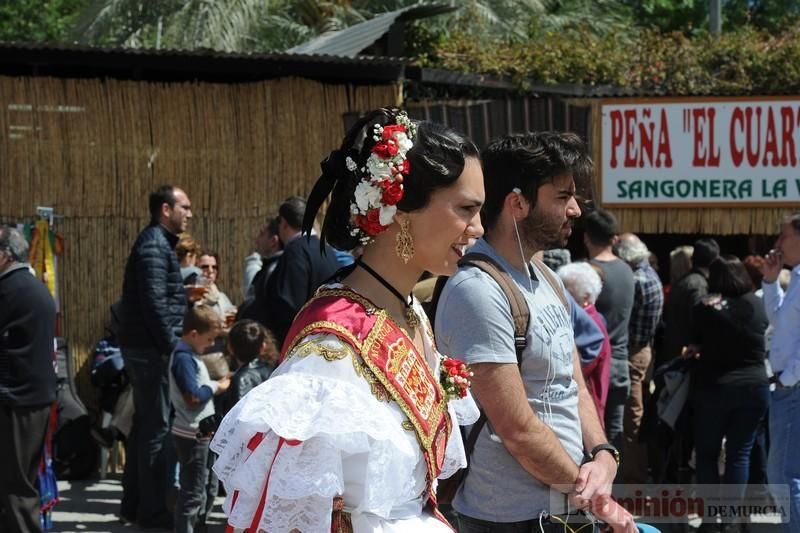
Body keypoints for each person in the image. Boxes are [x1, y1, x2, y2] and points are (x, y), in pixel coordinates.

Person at [211, 109, 485, 532]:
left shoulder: (410, 312)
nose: (478, 228)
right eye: (466, 209)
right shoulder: (332, 347)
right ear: (403, 209)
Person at [435, 132, 635, 532]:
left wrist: (603, 453)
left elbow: (574, 385)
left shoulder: (547, 278)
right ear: (518, 203)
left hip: (567, 501)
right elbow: (518, 430)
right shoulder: (477, 290)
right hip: (511, 517)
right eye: (562, 197)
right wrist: (598, 500)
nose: (576, 210)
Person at [118, 184, 192, 528]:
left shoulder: (157, 244)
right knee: (156, 431)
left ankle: (134, 505)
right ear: (166, 209)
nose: (189, 214)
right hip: (152, 352)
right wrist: (172, 348)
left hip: (148, 348)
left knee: (145, 428)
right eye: (184, 207)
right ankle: (151, 513)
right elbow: (153, 304)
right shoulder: (153, 245)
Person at [685, 255, 769, 533]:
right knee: (739, 454)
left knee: (708, 455)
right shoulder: (758, 303)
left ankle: (710, 521)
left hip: (714, 388)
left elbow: (694, 342)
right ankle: (731, 522)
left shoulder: (705, 307)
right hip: (754, 388)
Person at [0, 226, 57, 533]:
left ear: (4, 256)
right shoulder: (32, 287)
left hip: (16, 401)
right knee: (20, 483)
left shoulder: (10, 290)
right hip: (32, 400)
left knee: (15, 488)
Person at [169, 305, 230, 533]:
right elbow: (192, 397)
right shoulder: (184, 359)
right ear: (194, 334)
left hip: (200, 433)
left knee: (206, 487)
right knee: (192, 493)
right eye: (209, 339)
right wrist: (216, 386)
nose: (211, 344)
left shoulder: (190, 355)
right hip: (191, 433)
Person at [250, 197, 341, 343]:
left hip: (301, 343)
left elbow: (288, 305)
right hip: (328, 337)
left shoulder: (295, 252)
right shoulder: (328, 251)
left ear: (284, 223)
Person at [584, 208, 634, 460]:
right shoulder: (628, 271)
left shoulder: (585, 274)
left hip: (591, 369)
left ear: (586, 237)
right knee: (614, 433)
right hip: (620, 364)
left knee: (591, 439)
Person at [761, 213, 800, 533]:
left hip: (793, 389)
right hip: (788, 388)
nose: (777, 243)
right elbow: (778, 321)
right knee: (785, 475)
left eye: (783, 236)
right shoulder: (796, 277)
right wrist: (771, 281)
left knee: (784, 476)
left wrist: (790, 377)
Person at [615, 233, 663, 485]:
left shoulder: (636, 279)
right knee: (637, 411)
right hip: (644, 350)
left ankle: (635, 475)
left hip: (633, 352)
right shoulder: (650, 273)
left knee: (631, 416)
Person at [558, 261, 611, 425]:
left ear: (586, 297)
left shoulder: (588, 323)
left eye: (567, 291)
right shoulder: (596, 317)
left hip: (585, 409)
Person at [662, 238, 719, 367]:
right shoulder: (699, 285)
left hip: (674, 349)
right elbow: (698, 321)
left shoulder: (683, 281)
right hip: (686, 355)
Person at [222, 319, 279, 414]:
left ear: (230, 348)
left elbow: (238, 419)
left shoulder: (241, 380)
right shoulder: (274, 369)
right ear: (263, 346)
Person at [242, 215, 282, 301]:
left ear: (273, 241)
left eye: (262, 234)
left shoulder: (273, 271)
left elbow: (250, 294)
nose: (256, 240)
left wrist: (253, 259)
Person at [196, 250, 236, 323]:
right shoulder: (192, 297)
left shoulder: (222, 297)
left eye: (214, 267)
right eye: (205, 267)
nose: (210, 270)